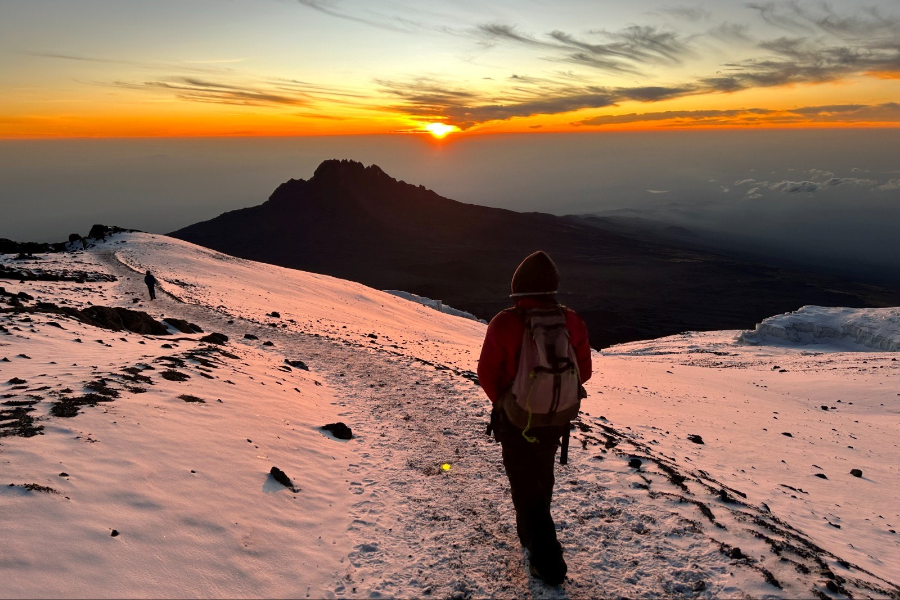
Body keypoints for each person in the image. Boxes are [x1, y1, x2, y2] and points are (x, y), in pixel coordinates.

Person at [478, 250, 592, 586]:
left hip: (517, 418)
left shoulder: (506, 322)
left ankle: (546, 559)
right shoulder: (571, 320)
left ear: (518, 289)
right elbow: (583, 371)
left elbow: (487, 373)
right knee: (542, 471)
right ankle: (534, 532)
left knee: (523, 481)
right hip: (557, 417)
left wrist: (506, 402)